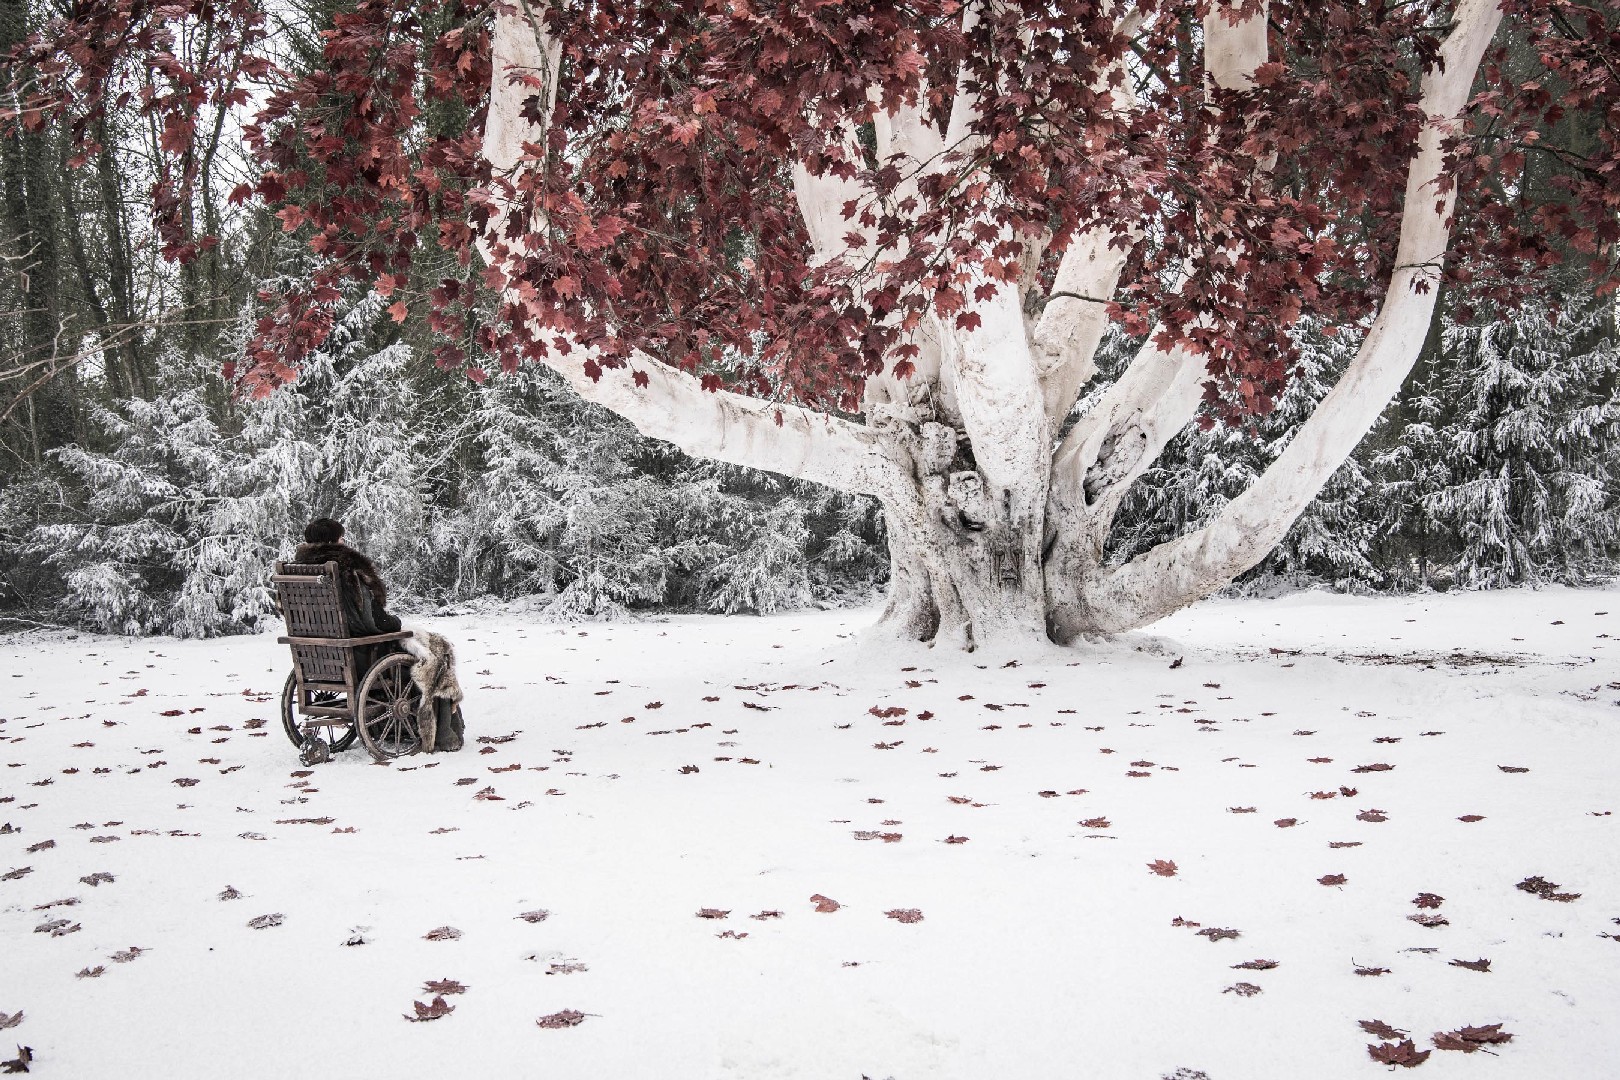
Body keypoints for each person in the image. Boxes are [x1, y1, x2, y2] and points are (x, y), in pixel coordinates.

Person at [292, 517, 402, 636]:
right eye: (340, 538)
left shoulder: (296, 570)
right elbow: (373, 618)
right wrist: (394, 622)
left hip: (309, 639)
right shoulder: (345, 567)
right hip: (355, 641)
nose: (343, 541)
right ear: (330, 542)